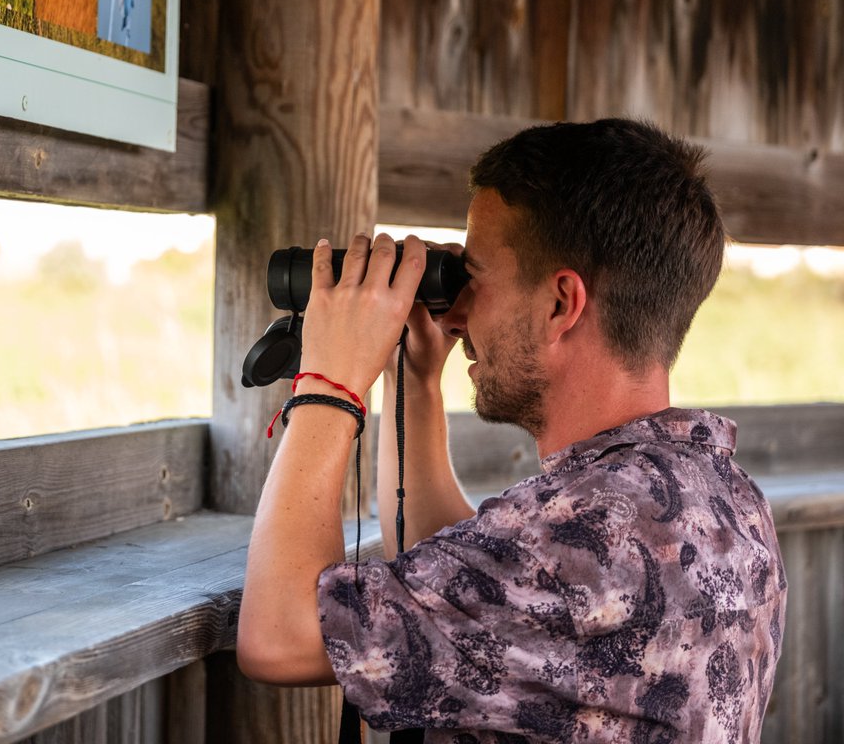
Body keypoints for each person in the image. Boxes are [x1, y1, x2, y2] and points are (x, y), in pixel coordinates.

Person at [237, 119, 786, 742]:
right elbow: (468, 587)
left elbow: (279, 637)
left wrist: (329, 383)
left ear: (560, 304)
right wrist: (413, 383)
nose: (460, 311)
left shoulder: (586, 532)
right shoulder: (726, 498)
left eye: (475, 276)